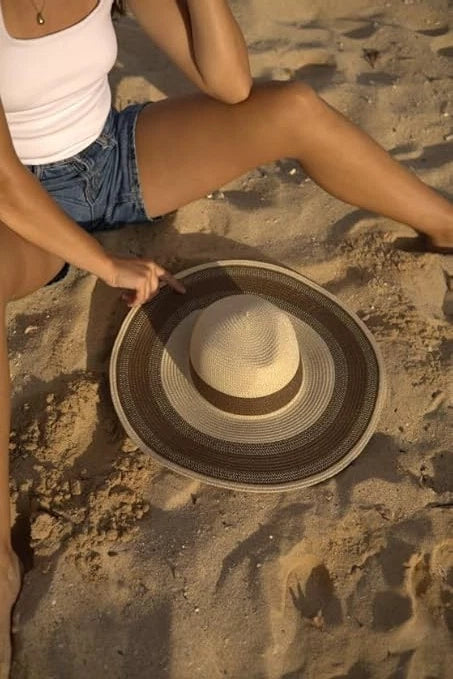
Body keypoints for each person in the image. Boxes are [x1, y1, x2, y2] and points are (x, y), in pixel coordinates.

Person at [0, 0, 452, 675]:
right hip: (20, 205)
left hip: (112, 157)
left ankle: (445, 226)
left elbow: (230, 85)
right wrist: (104, 263)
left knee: (291, 106)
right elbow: (6, 182)